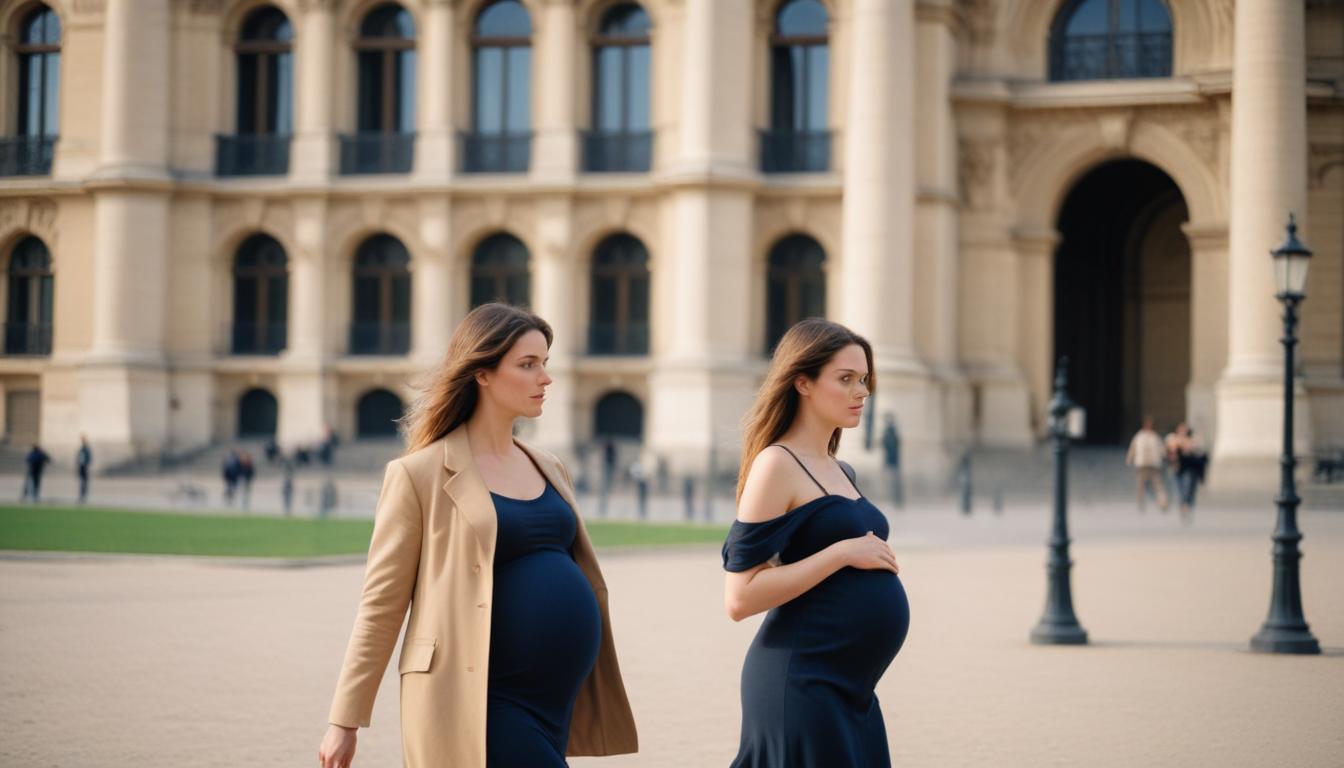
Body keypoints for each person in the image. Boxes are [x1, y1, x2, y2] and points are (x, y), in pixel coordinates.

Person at [319, 303, 637, 768]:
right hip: (478, 699)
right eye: (527, 365)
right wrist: (343, 721)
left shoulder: (549, 466)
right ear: (482, 373)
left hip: (554, 706)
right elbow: (380, 605)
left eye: (544, 364)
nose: (544, 378)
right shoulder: (418, 475)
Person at [722, 318, 910, 767]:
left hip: (854, 688)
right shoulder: (776, 463)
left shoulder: (839, 468)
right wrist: (843, 552)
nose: (861, 392)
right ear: (802, 382)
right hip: (802, 681)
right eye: (845, 379)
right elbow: (740, 597)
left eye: (864, 379)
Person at [1125, 416, 1168, 513]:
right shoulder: (1139, 436)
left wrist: (1165, 457)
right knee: (1140, 484)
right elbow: (1133, 448)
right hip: (1142, 463)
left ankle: (1162, 502)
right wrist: (1129, 459)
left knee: (1158, 485)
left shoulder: (1155, 437)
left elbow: (1162, 450)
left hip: (1154, 464)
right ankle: (1141, 502)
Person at [1167, 422, 1205, 524]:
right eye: (1181, 429)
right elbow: (1171, 448)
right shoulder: (1172, 438)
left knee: (1189, 490)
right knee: (1179, 490)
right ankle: (1183, 508)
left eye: (1185, 429)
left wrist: (1185, 444)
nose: (1183, 431)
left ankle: (1187, 508)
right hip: (1177, 468)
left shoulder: (1192, 439)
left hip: (1189, 469)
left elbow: (1195, 450)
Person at [880, 414, 904, 508]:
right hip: (892, 461)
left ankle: (898, 501)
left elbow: (893, 446)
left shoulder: (891, 431)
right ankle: (896, 501)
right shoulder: (889, 431)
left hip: (893, 462)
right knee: (894, 482)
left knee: (895, 482)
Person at [75, 435, 93, 504]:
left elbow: (89, 458)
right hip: (81, 467)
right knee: (82, 482)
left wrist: (86, 464)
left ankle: (83, 496)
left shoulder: (86, 450)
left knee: (84, 482)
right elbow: (78, 458)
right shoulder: (81, 449)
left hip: (84, 467)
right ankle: (82, 495)